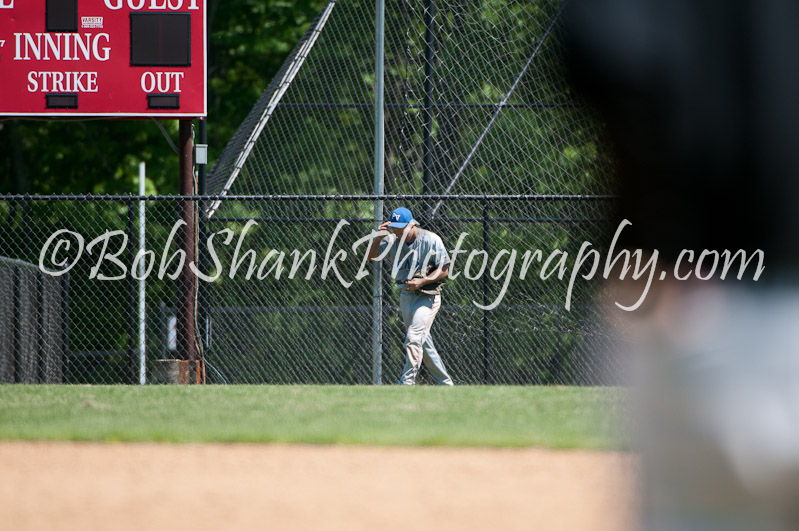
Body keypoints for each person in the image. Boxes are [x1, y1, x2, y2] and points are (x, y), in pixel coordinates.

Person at [367, 207, 454, 386]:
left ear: (412, 224)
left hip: (427, 296)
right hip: (406, 296)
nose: (398, 233)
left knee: (414, 337)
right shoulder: (392, 240)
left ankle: (406, 382)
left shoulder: (430, 239)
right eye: (395, 229)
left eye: (401, 229)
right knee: (423, 342)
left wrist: (422, 281)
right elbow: (371, 257)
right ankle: (446, 384)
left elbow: (445, 270)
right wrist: (378, 238)